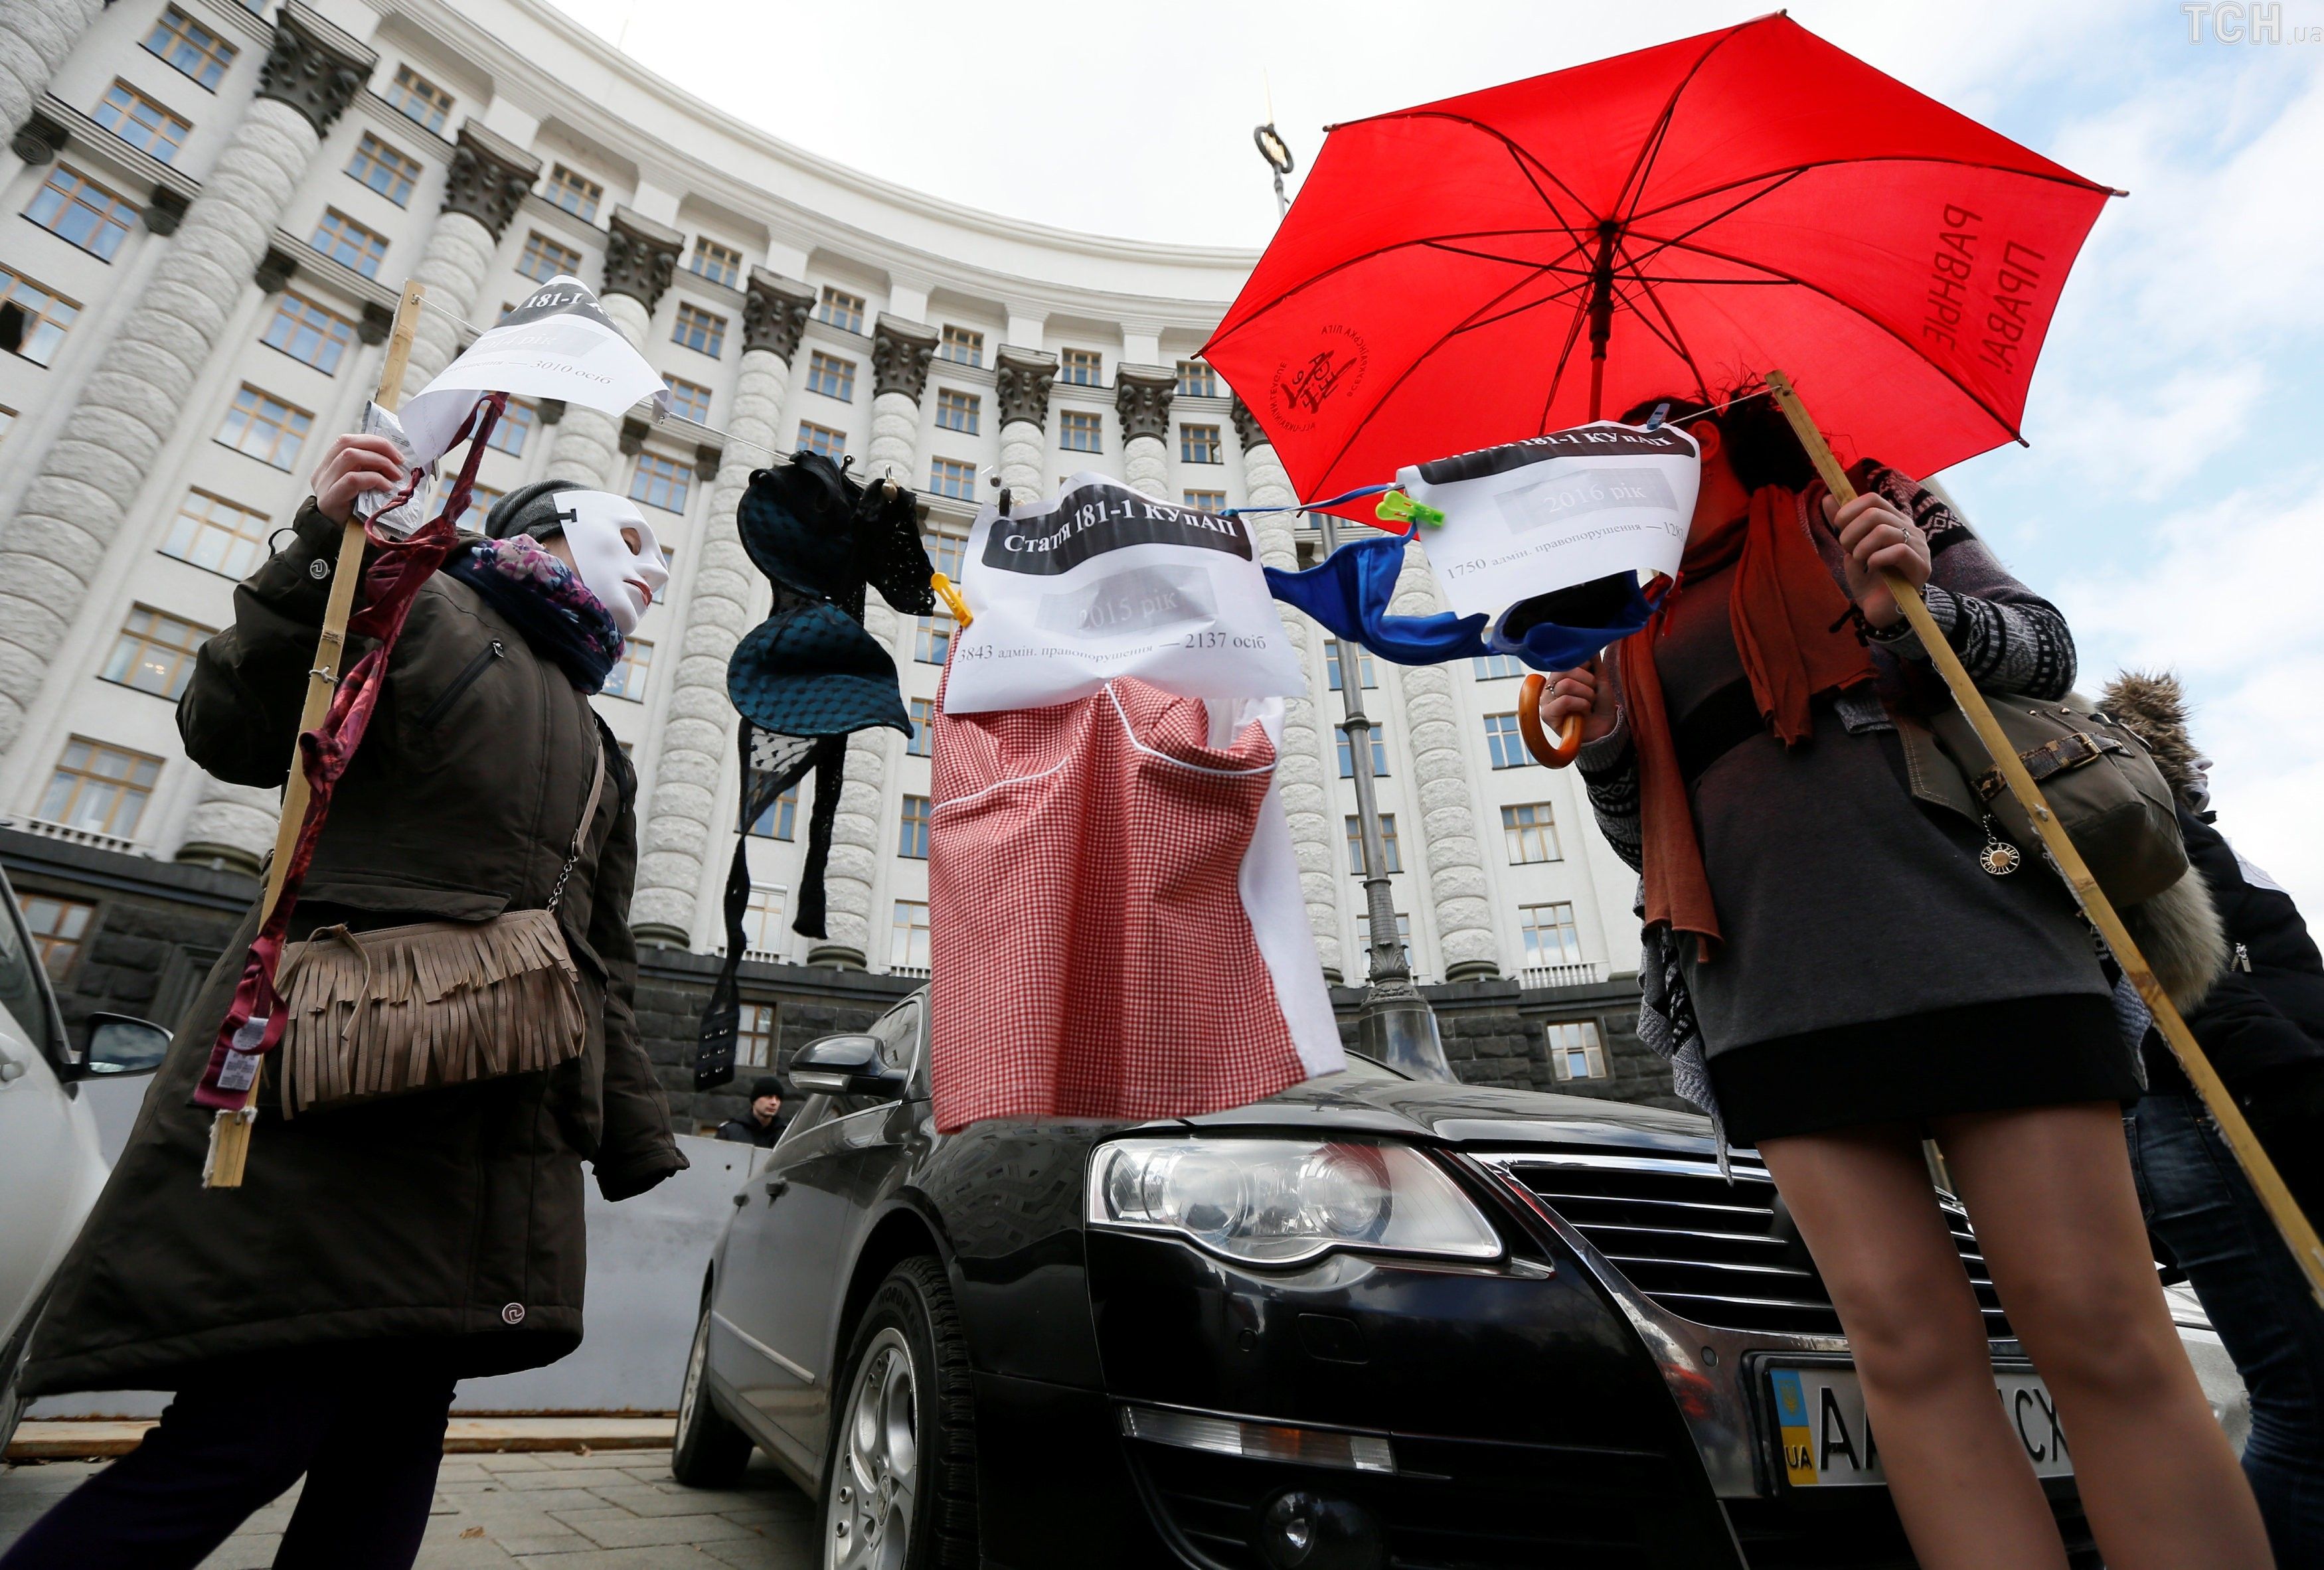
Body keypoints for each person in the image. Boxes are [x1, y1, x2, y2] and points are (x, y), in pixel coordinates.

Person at [1540, 390, 2270, 1570]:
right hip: (1765, 980)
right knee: (1909, 1359)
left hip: (1979, 928)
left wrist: (1914, 599)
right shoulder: (1615, 589)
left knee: (2100, 1332)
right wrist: (1612, 742)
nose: (1656, 424)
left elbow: (2042, 645)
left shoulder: (1852, 469)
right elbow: (1649, 842)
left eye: (1675, 409)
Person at [1, 437, 686, 1570]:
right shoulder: (421, 609)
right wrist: (323, 544)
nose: (655, 572)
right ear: (544, 529)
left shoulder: (600, 738)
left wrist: (632, 1133)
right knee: (252, 1429)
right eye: (632, 540)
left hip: (486, 1134)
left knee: (393, 1441)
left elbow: (595, 957)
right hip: (342, 1102)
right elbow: (232, 727)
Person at [2102, 670, 2324, 1563]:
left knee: (2305, 1396)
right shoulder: (2139, 832)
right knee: (2305, 1399)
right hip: (2214, 1112)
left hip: (2250, 1105)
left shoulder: (2210, 845)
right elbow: (2187, 991)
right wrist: (2293, 1072)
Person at [716, 1076, 790, 1147]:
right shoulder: (730, 1131)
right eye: (769, 1097)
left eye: (778, 1099)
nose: (774, 1102)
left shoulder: (786, 1134)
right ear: (755, 1100)